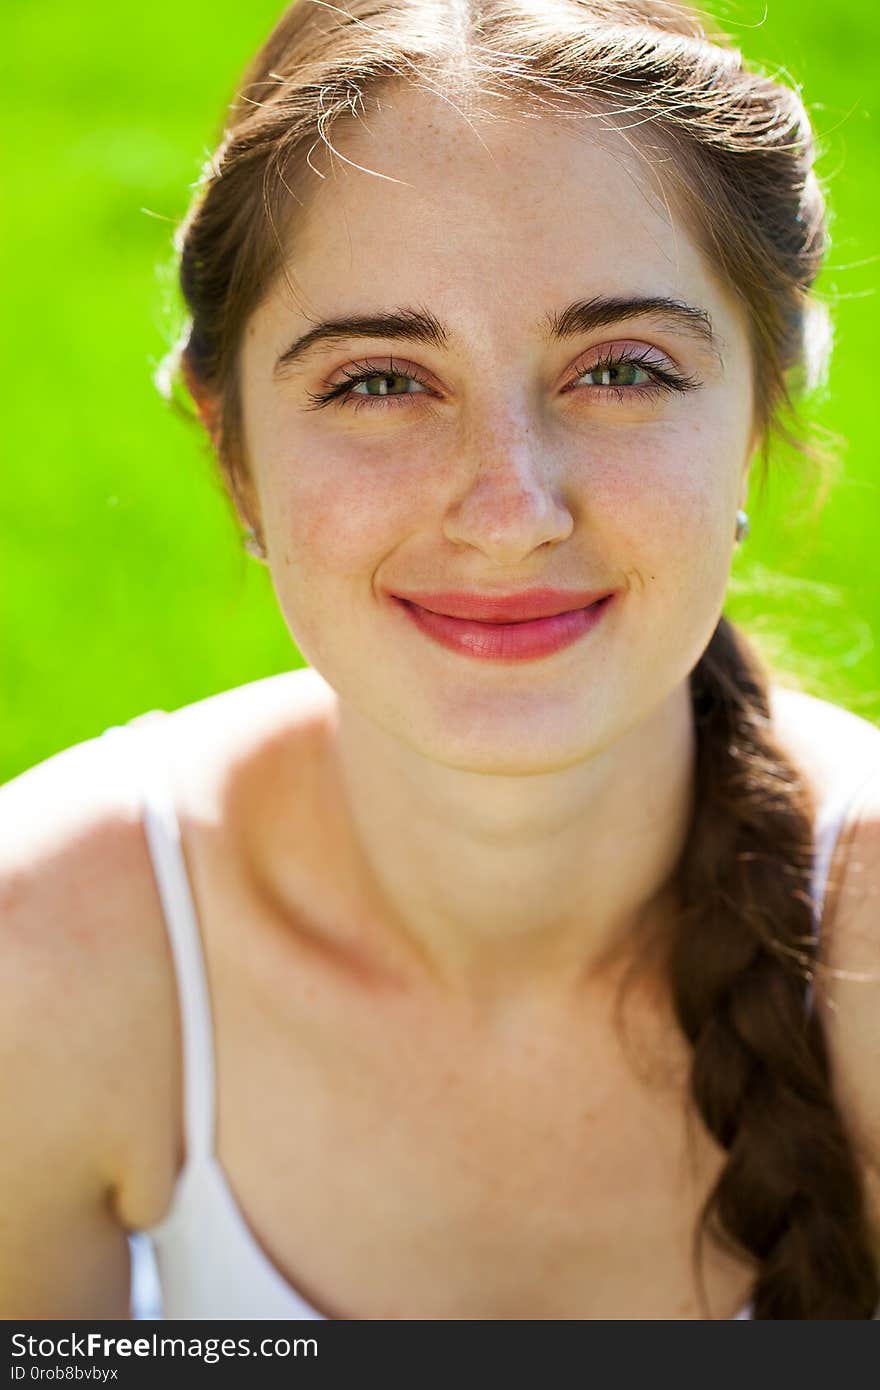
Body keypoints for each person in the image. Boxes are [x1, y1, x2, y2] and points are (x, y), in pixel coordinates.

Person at [2, 0, 879, 1322]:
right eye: (378, 381)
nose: (511, 506)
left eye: (622, 369)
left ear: (754, 420)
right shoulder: (50, 960)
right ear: (233, 452)